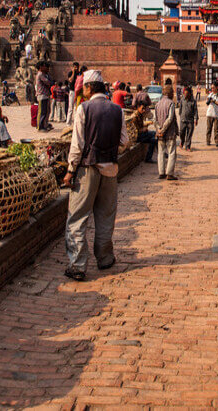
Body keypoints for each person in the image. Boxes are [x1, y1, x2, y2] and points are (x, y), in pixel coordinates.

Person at [63, 69, 130, 281]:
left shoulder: (84, 108)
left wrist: (70, 169)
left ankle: (77, 265)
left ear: (89, 88)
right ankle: (105, 258)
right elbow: (125, 142)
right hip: (110, 169)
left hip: (88, 168)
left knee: (78, 217)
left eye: (83, 87)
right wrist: (111, 151)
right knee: (105, 216)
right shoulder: (117, 111)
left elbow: (77, 144)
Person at [154, 85, 180, 181]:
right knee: (171, 152)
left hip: (160, 133)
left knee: (160, 153)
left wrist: (159, 129)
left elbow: (154, 119)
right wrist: (164, 129)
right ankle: (169, 173)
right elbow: (170, 118)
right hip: (169, 133)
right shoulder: (171, 103)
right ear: (170, 94)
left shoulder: (157, 104)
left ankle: (161, 172)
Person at [35, 61, 54, 132]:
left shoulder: (44, 74)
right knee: (42, 112)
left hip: (45, 95)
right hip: (42, 95)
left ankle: (44, 125)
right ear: (41, 67)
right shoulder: (40, 75)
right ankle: (40, 126)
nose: (47, 68)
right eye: (45, 67)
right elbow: (48, 83)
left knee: (46, 111)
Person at [178, 85, 198, 151]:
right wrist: (180, 115)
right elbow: (180, 109)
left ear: (190, 94)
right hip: (183, 119)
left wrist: (196, 119)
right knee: (181, 132)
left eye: (186, 94)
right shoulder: (182, 100)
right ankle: (182, 141)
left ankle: (188, 146)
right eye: (184, 93)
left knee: (189, 134)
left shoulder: (193, 101)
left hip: (190, 120)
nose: (185, 95)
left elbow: (195, 110)